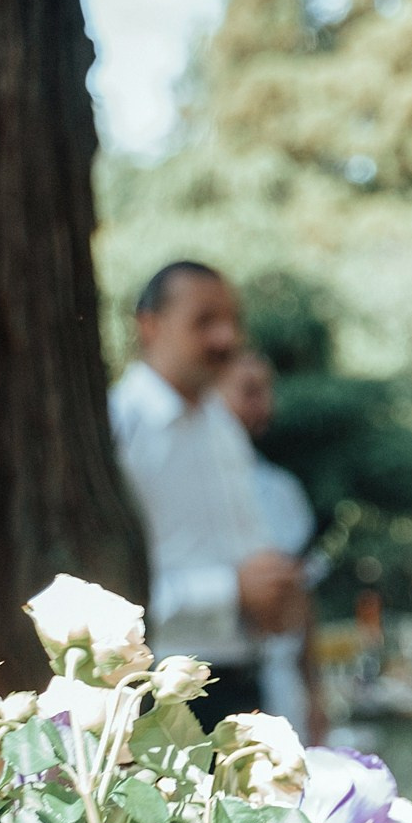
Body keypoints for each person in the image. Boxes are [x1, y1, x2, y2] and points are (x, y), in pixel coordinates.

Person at [110, 262, 304, 727]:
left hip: (245, 681)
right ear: (149, 325)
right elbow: (107, 594)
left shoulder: (220, 423)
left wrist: (272, 594)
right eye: (204, 322)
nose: (226, 338)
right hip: (160, 696)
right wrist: (232, 592)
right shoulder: (121, 426)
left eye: (233, 321)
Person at [217, 350, 325, 739]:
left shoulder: (280, 491)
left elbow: (303, 604)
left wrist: (315, 694)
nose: (263, 405)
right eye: (249, 391)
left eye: (266, 391)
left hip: (277, 684)